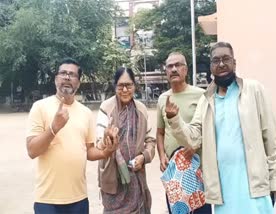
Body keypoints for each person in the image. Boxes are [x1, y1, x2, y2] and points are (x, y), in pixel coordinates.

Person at [165, 42, 276, 213]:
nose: (221, 64)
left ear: (234, 62)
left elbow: (270, 138)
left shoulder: (253, 90)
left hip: (253, 185)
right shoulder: (206, 100)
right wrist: (174, 119)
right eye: (216, 60)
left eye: (226, 59)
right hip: (222, 188)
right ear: (211, 66)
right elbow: (193, 138)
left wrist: (274, 180)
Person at [26, 58, 112, 214]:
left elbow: (89, 151)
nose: (67, 77)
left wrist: (106, 151)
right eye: (63, 73)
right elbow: (32, 150)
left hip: (78, 199)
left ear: (78, 82)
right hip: (47, 200)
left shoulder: (86, 113)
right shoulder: (40, 107)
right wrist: (54, 128)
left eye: (72, 74)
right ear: (56, 79)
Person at [156, 52, 211, 213]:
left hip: (196, 171)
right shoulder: (162, 99)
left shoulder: (201, 95)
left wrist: (195, 144)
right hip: (173, 173)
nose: (173, 69)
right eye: (169, 66)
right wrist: (161, 156)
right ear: (166, 71)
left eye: (178, 65)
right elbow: (160, 132)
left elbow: (208, 130)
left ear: (186, 70)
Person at [96, 67, 156, 214]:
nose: (124, 90)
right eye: (120, 85)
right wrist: (107, 140)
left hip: (136, 176)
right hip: (112, 176)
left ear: (134, 86)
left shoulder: (141, 109)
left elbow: (150, 140)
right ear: (115, 86)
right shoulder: (106, 107)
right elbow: (98, 143)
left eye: (128, 85)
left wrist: (143, 157)